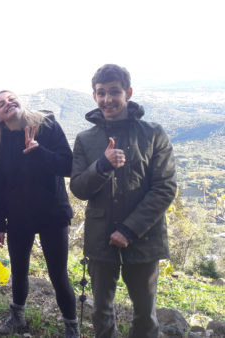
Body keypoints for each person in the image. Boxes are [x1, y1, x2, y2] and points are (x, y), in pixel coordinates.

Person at [70, 64, 176, 338]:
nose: (107, 100)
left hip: (144, 239)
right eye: (101, 93)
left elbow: (165, 188)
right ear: (94, 96)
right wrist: (102, 166)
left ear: (128, 92)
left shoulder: (153, 134)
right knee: (101, 312)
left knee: (144, 315)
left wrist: (129, 229)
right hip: (100, 238)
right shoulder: (85, 139)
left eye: (114, 92)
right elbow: (79, 188)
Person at [0, 90, 79, 337]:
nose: (8, 103)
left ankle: (72, 327)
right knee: (18, 270)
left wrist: (40, 152)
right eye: (1, 104)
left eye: (10, 98)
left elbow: (68, 165)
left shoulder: (46, 125)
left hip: (52, 214)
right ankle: (17, 318)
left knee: (58, 275)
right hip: (19, 217)